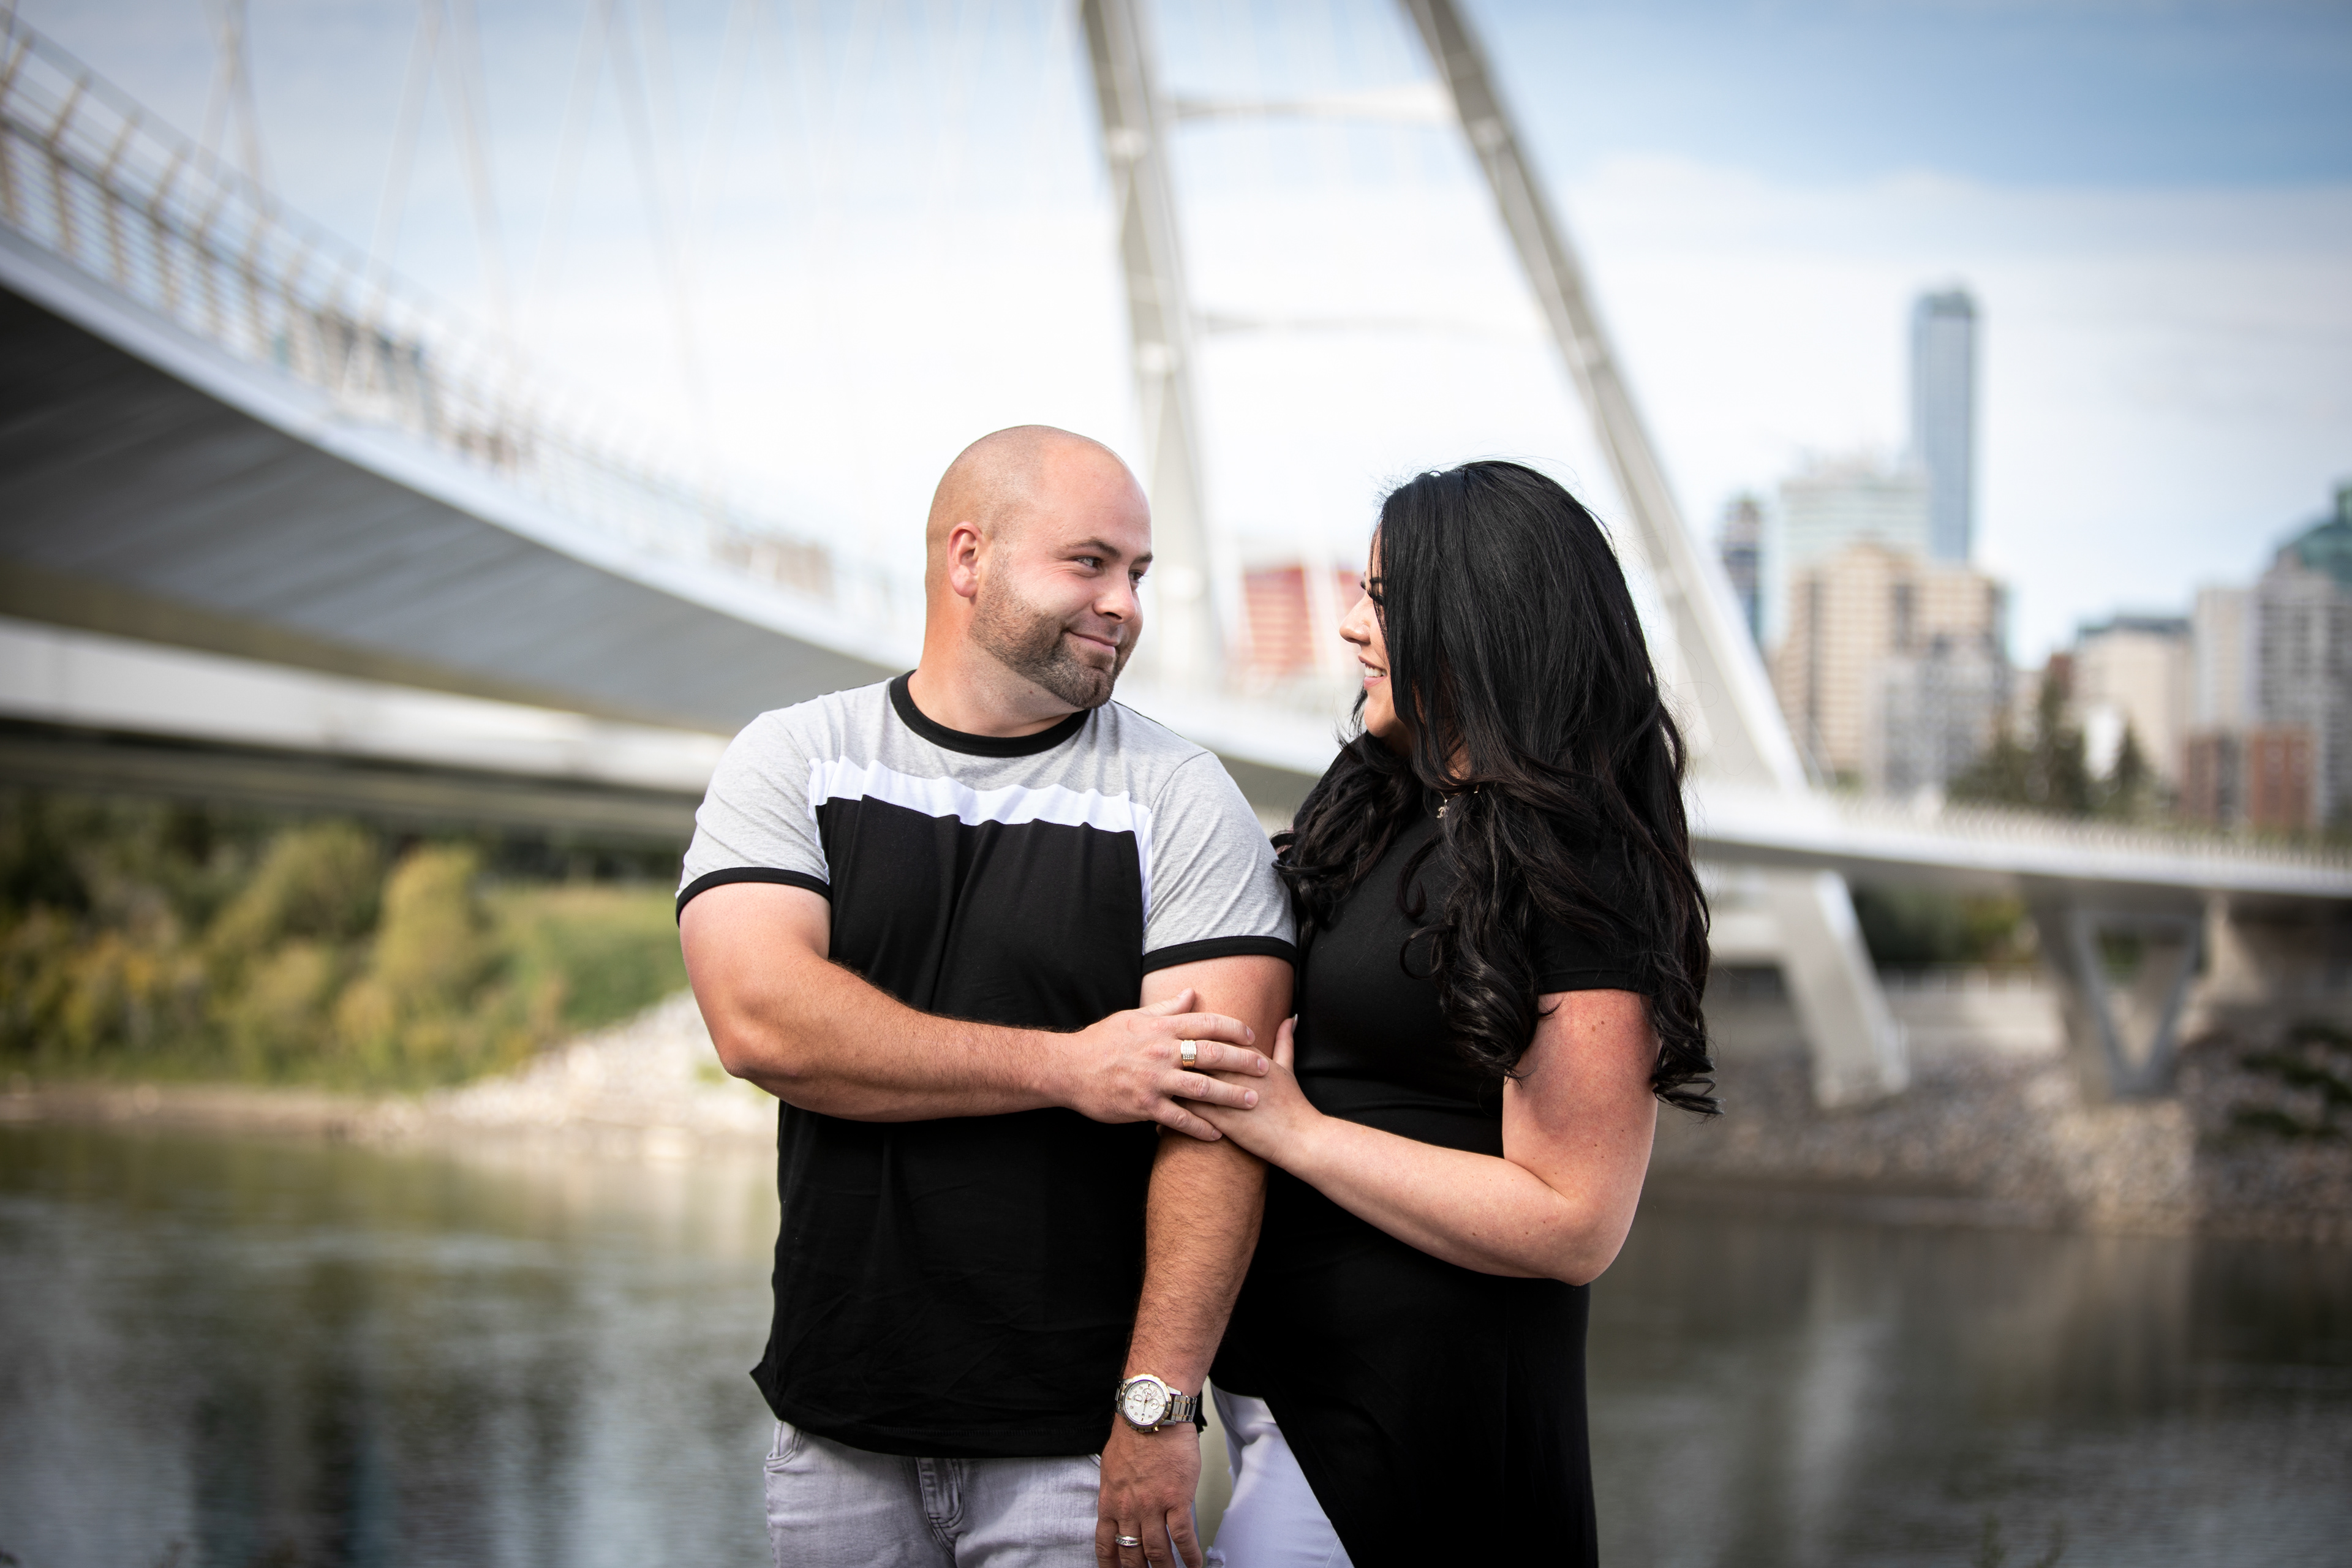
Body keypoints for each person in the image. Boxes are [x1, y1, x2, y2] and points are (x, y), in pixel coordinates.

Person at [678, 426, 1297, 1568]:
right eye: (1090, 562)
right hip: (835, 1437)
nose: (1124, 603)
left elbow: (1221, 1124)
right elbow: (761, 1022)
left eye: (1139, 574)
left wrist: (1156, 1412)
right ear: (969, 559)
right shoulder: (796, 760)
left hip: (1082, 1456)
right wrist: (1069, 1067)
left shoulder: (1182, 798)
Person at [1194, 461, 1720, 1567]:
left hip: (1413, 1430)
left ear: (1480, 616)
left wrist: (1297, 1132)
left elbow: (1574, 1219)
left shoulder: (1576, 867)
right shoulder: (1381, 802)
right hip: (1281, 1398)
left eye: (1382, 601)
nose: (1347, 627)